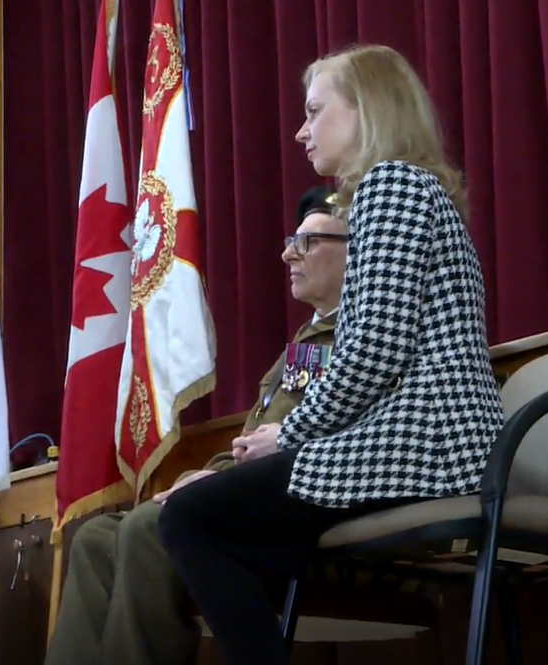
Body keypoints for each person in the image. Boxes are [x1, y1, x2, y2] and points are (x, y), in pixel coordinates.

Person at [157, 44, 506, 665]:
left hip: (427, 447)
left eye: (316, 111)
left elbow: (373, 351)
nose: (301, 130)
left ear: (366, 111)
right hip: (413, 440)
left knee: (190, 517)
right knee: (225, 526)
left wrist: (289, 433)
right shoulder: (406, 189)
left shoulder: (391, 185)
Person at [43, 186, 348, 665]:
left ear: (358, 250)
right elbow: (258, 440)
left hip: (307, 502)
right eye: (293, 239)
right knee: (96, 537)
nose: (289, 252)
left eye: (308, 242)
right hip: (257, 488)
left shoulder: (366, 339)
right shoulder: (306, 342)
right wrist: (211, 472)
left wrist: (220, 481)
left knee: (151, 525)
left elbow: (328, 438)